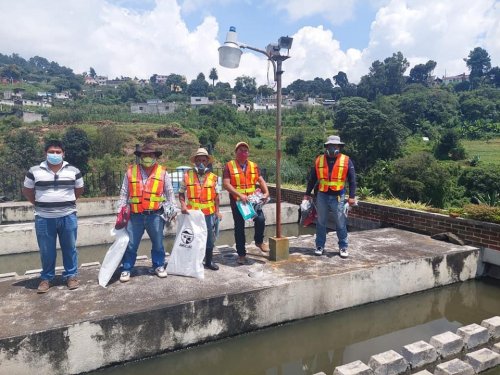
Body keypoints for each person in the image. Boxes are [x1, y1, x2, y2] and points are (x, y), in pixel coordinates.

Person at [22, 140, 84, 293]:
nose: (55, 154)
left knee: (70, 248)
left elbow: (79, 189)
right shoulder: (34, 170)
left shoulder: (74, 170)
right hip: (43, 217)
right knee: (46, 250)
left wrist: (66, 203)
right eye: (51, 152)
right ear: (45, 153)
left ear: (64, 153)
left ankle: (71, 276)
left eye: (58, 152)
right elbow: (27, 190)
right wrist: (38, 203)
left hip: (68, 216)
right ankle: (46, 278)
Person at [117, 143, 176, 282]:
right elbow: (124, 193)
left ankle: (158, 265)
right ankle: (126, 268)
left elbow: (169, 192)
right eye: (145, 155)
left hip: (155, 215)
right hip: (135, 216)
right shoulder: (131, 171)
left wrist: (172, 209)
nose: (148, 157)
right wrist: (120, 210)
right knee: (131, 244)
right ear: (140, 157)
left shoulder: (163, 172)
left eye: (150, 155)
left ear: (155, 157)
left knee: (158, 243)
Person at [303, 135, 356, 258]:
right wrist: (307, 194)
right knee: (321, 221)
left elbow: (352, 180)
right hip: (322, 195)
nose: (332, 148)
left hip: (338, 196)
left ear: (339, 147)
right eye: (330, 145)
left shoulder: (346, 160)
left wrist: (352, 196)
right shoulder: (319, 160)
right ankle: (320, 245)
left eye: (335, 145)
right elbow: (312, 179)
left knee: (340, 222)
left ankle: (343, 246)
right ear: (326, 147)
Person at [223, 142, 269, 264]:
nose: (243, 153)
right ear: (236, 152)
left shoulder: (254, 166)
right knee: (239, 227)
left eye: (245, 150)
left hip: (252, 200)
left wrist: (266, 192)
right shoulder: (229, 166)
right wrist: (239, 195)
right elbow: (226, 184)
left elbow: (260, 179)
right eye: (240, 150)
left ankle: (259, 241)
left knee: (260, 219)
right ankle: (241, 254)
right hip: (238, 201)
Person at [178, 148, 222, 271]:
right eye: (198, 161)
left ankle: (208, 261)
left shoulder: (214, 177)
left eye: (203, 160)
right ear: (194, 162)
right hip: (192, 214)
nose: (201, 163)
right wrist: (183, 205)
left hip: (208, 214)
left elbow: (217, 196)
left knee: (209, 238)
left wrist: (217, 212)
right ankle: (193, 262)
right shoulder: (187, 176)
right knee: (193, 238)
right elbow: (181, 193)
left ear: (208, 162)